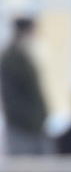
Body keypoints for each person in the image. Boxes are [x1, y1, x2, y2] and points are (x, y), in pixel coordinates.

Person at [0, 17, 49, 155]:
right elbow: (12, 97)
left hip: (33, 126)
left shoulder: (24, 55)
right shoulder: (12, 58)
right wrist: (31, 121)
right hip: (22, 128)